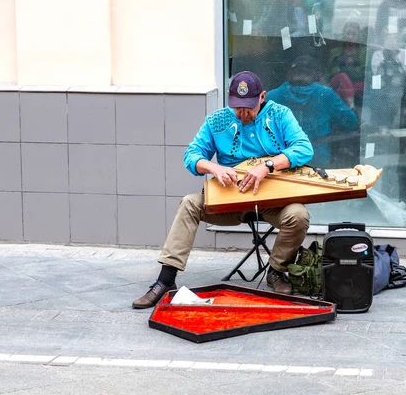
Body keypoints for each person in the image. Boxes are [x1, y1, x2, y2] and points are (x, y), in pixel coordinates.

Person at [132, 71, 314, 309]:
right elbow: (191, 156)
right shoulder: (217, 120)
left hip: (272, 201)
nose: (243, 113)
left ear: (262, 97)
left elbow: (304, 148)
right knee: (190, 202)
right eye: (237, 107)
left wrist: (267, 165)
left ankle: (276, 271)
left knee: (298, 215)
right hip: (229, 202)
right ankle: (166, 280)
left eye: (248, 107)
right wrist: (214, 168)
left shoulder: (280, 115)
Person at [266, 55, 358, 167]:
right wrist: (351, 106)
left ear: (289, 74)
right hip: (317, 161)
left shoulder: (271, 96)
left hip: (280, 160)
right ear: (317, 75)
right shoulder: (326, 95)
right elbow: (351, 122)